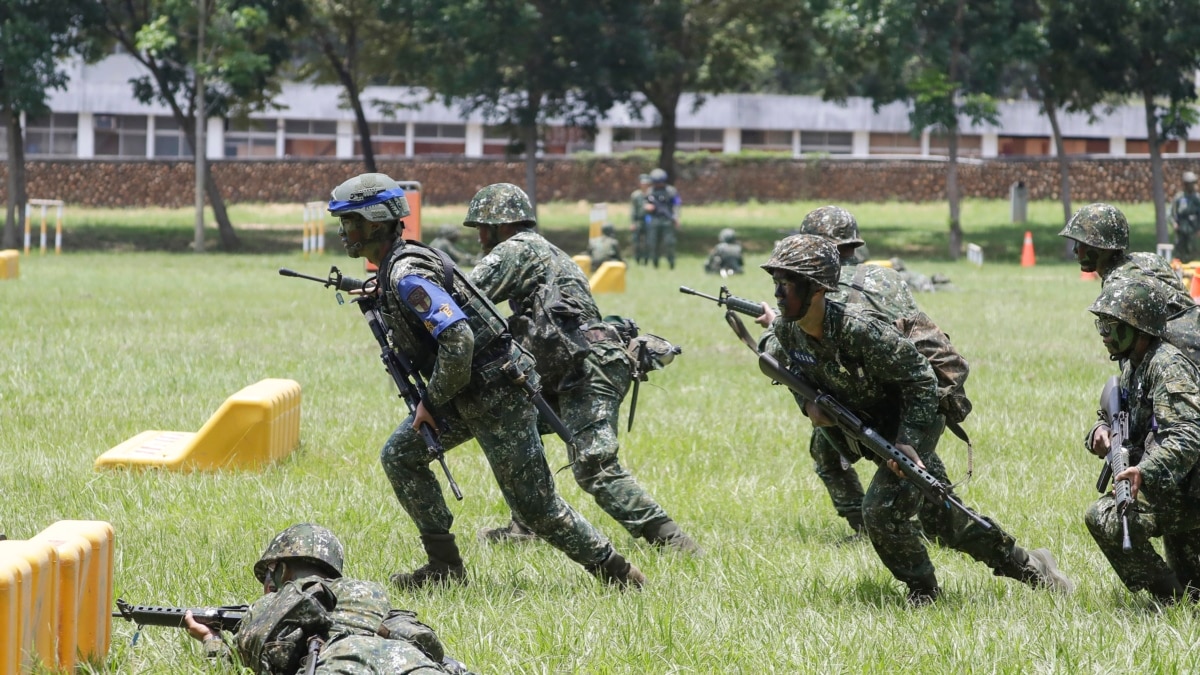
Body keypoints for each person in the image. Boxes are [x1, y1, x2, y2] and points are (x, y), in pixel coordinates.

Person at [327, 172, 644, 589]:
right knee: (400, 455)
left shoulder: (406, 275)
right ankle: (445, 567)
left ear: (374, 221)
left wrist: (432, 401)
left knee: (537, 508)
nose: (344, 232)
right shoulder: (397, 269)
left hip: (496, 392)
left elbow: (458, 336)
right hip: (468, 389)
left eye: (350, 222)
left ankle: (621, 575)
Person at [755, 234, 1073, 604]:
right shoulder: (786, 332)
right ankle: (1033, 567)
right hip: (867, 425)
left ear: (817, 288)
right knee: (945, 521)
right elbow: (783, 368)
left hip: (911, 419)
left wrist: (908, 440)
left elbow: (921, 381)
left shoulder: (860, 329)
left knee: (879, 510)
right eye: (776, 283)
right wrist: (807, 406)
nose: (778, 293)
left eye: (788, 284)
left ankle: (923, 592)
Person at [463, 183, 699, 553]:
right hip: (569, 365)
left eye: (481, 227)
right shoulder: (546, 251)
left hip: (586, 368)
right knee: (515, 429)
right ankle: (527, 524)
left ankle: (674, 543)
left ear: (500, 226)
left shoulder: (514, 250)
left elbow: (461, 297)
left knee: (595, 466)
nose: (479, 237)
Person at [184, 524, 471, 674]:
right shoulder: (368, 591)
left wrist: (211, 641)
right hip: (409, 661)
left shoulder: (274, 602)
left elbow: (243, 667)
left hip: (340, 666)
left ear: (281, 569)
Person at [1083, 278, 1200, 605]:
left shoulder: (1166, 365)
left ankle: (1168, 600)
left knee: (1105, 516)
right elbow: (1121, 418)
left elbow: (1190, 434)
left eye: (1112, 326)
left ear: (1138, 327)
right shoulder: (1135, 365)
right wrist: (1098, 432)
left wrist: (1144, 471)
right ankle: (1178, 598)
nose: (1104, 334)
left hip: (1188, 489)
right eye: (1102, 325)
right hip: (1177, 485)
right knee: (1195, 589)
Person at [1059, 202, 1200, 362]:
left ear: (1103, 247)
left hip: (1183, 361)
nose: (1075, 249)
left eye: (1082, 244)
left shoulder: (1118, 285)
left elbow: (1129, 345)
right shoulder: (1149, 259)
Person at [643, 168, 681, 269]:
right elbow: (645, 203)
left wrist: (676, 217)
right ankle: (655, 264)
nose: (658, 185)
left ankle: (671, 263)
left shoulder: (671, 191)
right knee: (653, 243)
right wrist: (647, 207)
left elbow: (677, 204)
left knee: (669, 243)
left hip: (667, 220)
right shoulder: (650, 191)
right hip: (654, 220)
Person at [1170, 171, 1200, 262]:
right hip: (1181, 229)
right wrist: (1174, 223)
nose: (1191, 186)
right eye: (1189, 184)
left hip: (1194, 230)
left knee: (1194, 253)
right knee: (1180, 254)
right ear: (1185, 184)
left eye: (1192, 183)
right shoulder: (1179, 197)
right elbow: (1171, 212)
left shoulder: (1197, 198)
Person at [630, 173, 651, 265]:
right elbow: (633, 210)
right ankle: (637, 260)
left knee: (647, 242)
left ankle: (646, 260)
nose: (644, 185)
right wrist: (632, 222)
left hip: (649, 220)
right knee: (637, 242)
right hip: (638, 220)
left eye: (646, 183)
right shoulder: (635, 195)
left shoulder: (652, 194)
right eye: (643, 183)